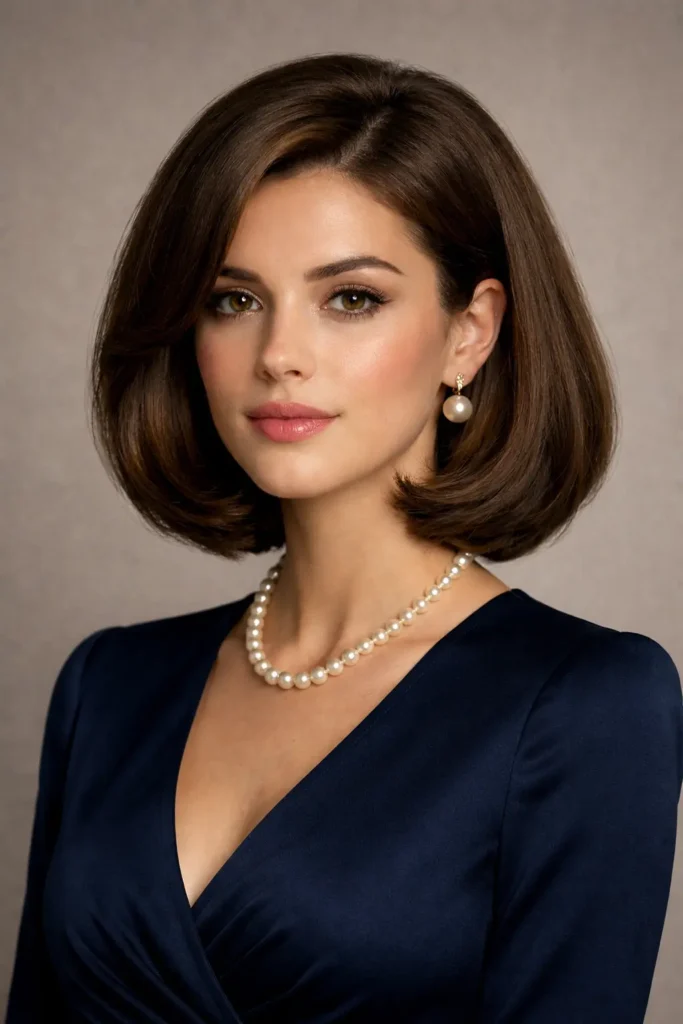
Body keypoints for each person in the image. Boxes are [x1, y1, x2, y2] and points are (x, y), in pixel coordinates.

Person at [6, 52, 682, 1024]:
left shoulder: (583, 704)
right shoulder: (107, 686)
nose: (278, 354)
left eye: (350, 298)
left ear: (469, 332)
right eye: (232, 299)